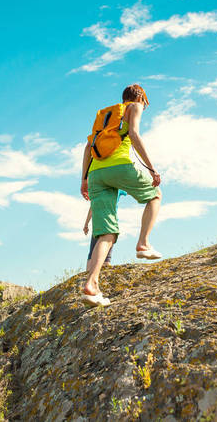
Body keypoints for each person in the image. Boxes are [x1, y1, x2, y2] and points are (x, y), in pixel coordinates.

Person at [80, 84, 162, 306]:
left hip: (96, 173)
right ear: (141, 98)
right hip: (120, 167)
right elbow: (134, 134)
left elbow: (88, 147)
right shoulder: (134, 106)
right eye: (146, 102)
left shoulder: (107, 115)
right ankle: (143, 243)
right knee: (155, 195)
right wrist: (151, 168)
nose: (145, 106)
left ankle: (92, 284)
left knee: (106, 233)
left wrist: (84, 179)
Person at [83, 189, 127, 270]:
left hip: (99, 222)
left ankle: (89, 274)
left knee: (94, 252)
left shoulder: (100, 187)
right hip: (108, 223)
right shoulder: (117, 187)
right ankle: (100, 268)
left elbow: (92, 206)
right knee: (105, 249)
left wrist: (86, 224)